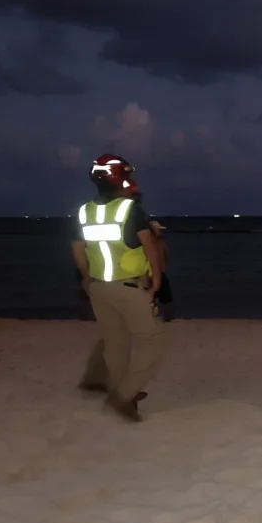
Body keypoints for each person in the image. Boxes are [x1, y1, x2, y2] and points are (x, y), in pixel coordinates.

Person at [72, 153, 167, 421]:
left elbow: (77, 249)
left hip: (99, 287)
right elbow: (149, 246)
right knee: (154, 341)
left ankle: (123, 390)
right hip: (128, 286)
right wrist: (157, 277)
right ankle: (123, 396)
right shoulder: (129, 209)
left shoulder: (84, 211)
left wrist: (86, 277)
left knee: (115, 344)